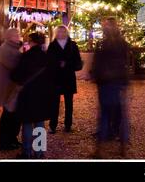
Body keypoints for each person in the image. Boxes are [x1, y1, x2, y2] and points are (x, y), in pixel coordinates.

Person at [12, 33, 56, 159]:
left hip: (28, 94)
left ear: (31, 42)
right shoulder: (47, 57)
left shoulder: (26, 57)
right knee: (40, 123)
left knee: (27, 122)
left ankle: (27, 152)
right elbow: (52, 77)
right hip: (42, 95)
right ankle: (39, 152)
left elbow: (16, 75)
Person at [91, 18, 130, 158]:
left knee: (104, 114)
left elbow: (97, 63)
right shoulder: (122, 43)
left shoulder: (103, 44)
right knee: (121, 115)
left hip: (106, 82)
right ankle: (122, 147)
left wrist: (96, 76)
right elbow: (125, 61)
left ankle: (99, 149)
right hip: (119, 81)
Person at [47, 25, 83, 134]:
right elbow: (48, 61)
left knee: (69, 103)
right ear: (56, 33)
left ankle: (68, 125)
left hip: (68, 77)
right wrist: (57, 64)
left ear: (66, 33)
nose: (62, 33)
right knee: (54, 103)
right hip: (56, 77)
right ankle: (53, 125)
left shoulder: (72, 45)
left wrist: (67, 64)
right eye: (59, 32)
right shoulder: (52, 45)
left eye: (63, 31)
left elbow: (77, 60)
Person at [0, 28, 22, 151]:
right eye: (16, 35)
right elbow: (14, 66)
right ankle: (5, 143)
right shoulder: (6, 49)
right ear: (10, 36)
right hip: (8, 88)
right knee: (8, 116)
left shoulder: (12, 48)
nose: (19, 36)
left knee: (13, 116)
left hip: (11, 87)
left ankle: (12, 139)